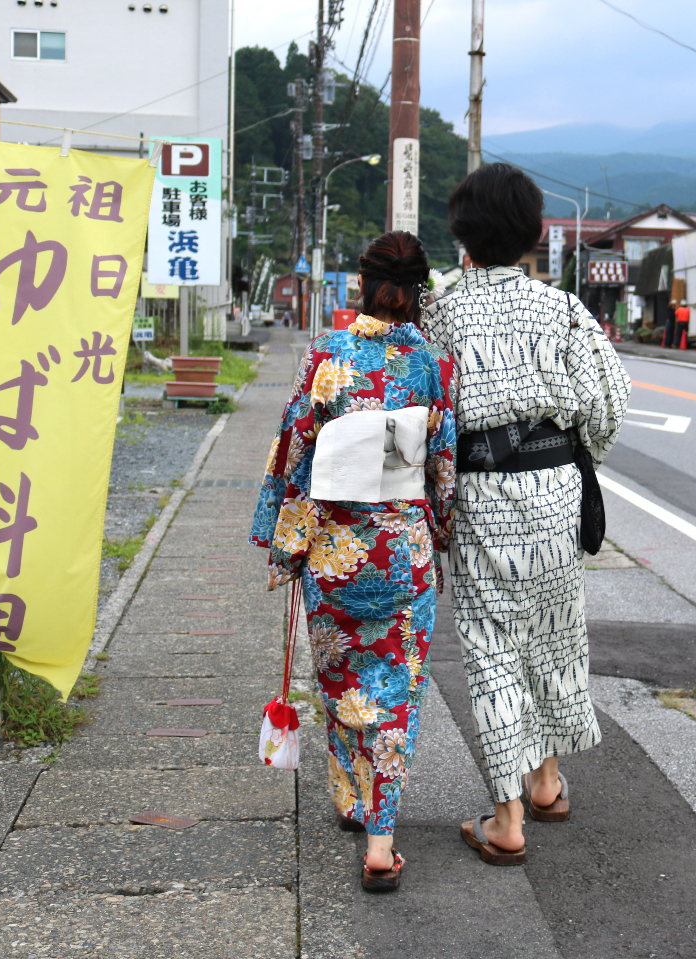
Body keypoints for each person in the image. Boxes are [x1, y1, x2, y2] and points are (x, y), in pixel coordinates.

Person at [422, 163, 631, 866]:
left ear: (463, 235)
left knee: (491, 647)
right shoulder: (565, 308)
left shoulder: (440, 312)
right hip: (554, 491)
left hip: (481, 493)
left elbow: (426, 413)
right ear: (533, 233)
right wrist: (574, 453)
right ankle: (546, 782)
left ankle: (507, 816)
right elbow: (609, 405)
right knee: (554, 630)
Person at [249, 231, 457, 893]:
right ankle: (380, 840)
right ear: (418, 288)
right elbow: (444, 468)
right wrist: (443, 530)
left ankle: (349, 798)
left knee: (343, 683)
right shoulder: (433, 365)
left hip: (336, 554)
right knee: (396, 698)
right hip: (402, 556)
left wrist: (285, 544)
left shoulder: (328, 355)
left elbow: (293, 453)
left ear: (362, 284)